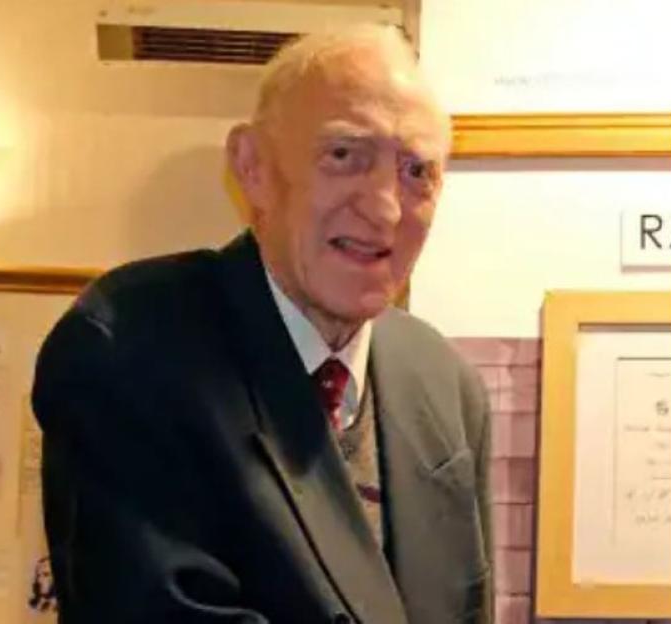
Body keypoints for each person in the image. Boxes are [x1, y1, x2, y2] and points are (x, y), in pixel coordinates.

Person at [32, 24, 493, 624]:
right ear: (252, 167)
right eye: (344, 155)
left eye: (417, 172)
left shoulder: (445, 384)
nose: (384, 207)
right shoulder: (130, 351)